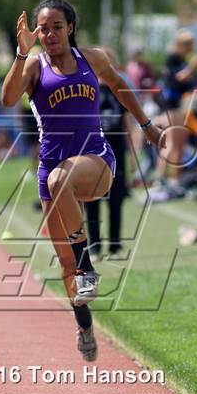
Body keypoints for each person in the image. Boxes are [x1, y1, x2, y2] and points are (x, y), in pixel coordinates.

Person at [2, 0, 164, 361]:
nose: (49, 34)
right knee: (63, 263)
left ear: (71, 28)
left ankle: (87, 265)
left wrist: (147, 126)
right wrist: (19, 53)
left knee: (63, 181)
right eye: (43, 28)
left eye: (57, 26)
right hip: (51, 169)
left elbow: (121, 87)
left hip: (96, 163)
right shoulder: (32, 65)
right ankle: (84, 323)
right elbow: (8, 98)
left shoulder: (94, 59)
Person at [86, 47, 130, 260]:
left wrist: (133, 151)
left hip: (116, 149)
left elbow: (126, 120)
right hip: (92, 150)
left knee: (116, 199)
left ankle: (115, 245)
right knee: (91, 199)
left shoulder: (118, 88)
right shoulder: (86, 86)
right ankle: (94, 245)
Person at [157, 29, 197, 182]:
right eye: (189, 45)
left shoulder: (183, 60)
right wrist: (192, 68)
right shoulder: (173, 58)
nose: (191, 48)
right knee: (172, 142)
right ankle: (160, 177)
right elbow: (179, 78)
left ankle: (175, 178)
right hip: (171, 105)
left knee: (181, 142)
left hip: (181, 105)